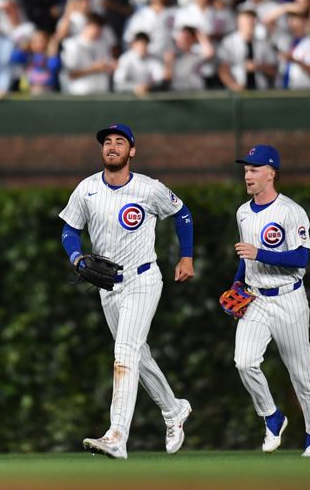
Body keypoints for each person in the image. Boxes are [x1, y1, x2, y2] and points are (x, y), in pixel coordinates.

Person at [59, 123, 195, 460]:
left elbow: (183, 214)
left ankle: (117, 435)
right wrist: (76, 256)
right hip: (107, 286)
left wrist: (187, 256)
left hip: (143, 279)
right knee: (138, 355)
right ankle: (174, 409)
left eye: (120, 142)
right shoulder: (86, 189)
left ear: (132, 151)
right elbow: (68, 230)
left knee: (124, 352)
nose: (112, 147)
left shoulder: (149, 189)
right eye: (107, 142)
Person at [226, 144, 310, 458]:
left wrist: (260, 254)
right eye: (246, 169)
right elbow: (246, 255)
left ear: (271, 173)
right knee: (244, 361)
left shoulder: (290, 211)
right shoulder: (243, 211)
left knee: (300, 372)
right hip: (255, 299)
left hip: (288, 298)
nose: (248, 175)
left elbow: (301, 258)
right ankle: (272, 416)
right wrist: (236, 284)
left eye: (254, 169)